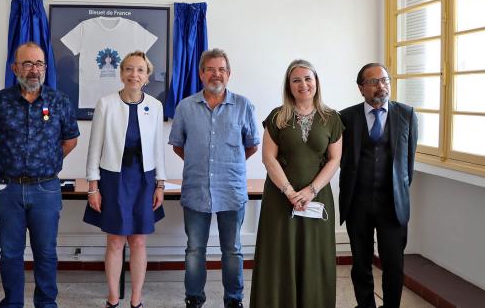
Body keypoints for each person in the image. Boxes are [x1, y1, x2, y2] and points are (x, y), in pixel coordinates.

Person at [0, 42, 80, 308]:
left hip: (46, 189)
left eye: (39, 64)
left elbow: (70, 140)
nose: (33, 70)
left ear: (45, 69)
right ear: (15, 68)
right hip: (8, 188)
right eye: (27, 64)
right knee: (10, 253)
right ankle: (12, 304)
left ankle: (46, 304)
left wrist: (47, 160)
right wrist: (14, 159)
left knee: (46, 253)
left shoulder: (59, 101)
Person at [169, 49, 260, 308]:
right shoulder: (185, 106)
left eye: (221, 69)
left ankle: (233, 300)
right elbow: (178, 145)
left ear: (229, 75)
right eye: (210, 69)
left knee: (232, 250)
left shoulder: (244, 105)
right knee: (195, 250)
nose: (216, 74)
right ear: (201, 73)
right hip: (196, 188)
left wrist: (227, 165)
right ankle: (194, 299)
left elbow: (251, 145)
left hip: (231, 190)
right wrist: (201, 163)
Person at [249, 59, 342, 308]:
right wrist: (290, 192)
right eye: (296, 80)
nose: (303, 84)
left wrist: (311, 191)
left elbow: (334, 160)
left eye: (308, 78)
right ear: (289, 86)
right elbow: (268, 158)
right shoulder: (277, 117)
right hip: (281, 199)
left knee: (314, 255)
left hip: (317, 198)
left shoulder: (332, 118)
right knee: (279, 255)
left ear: (316, 82)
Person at [83, 51, 166, 308]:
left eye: (140, 70)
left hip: (144, 179)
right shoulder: (105, 103)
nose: (134, 74)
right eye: (129, 69)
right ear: (121, 74)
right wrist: (92, 187)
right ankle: (112, 298)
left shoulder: (155, 105)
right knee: (116, 240)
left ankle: (136, 299)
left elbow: (158, 149)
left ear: (147, 76)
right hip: (113, 179)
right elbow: (94, 148)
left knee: (139, 240)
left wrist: (160, 184)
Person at [339, 63, 418, 308]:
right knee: (361, 263)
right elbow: (339, 158)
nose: (381, 86)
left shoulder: (406, 114)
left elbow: (408, 162)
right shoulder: (345, 117)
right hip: (357, 202)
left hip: (392, 204)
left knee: (393, 264)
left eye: (384, 80)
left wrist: (398, 190)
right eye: (373, 82)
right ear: (361, 88)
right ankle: (365, 305)